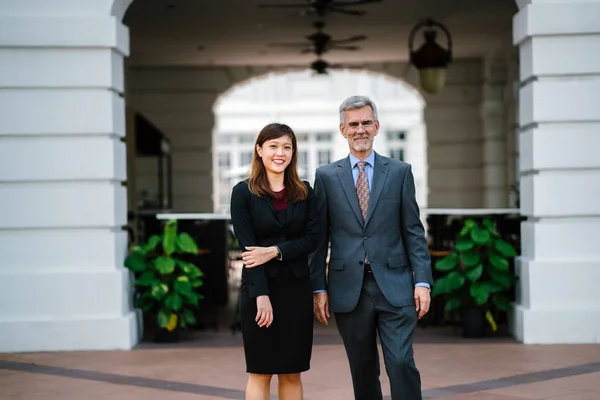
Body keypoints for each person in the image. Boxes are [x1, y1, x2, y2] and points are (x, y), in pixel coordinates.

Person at [309, 95, 433, 400]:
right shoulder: (326, 177)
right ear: (342, 130)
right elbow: (318, 239)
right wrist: (318, 288)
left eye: (366, 123)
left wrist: (422, 281)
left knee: (401, 361)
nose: (360, 129)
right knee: (362, 367)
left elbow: (414, 232)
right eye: (353, 124)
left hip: (397, 285)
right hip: (349, 288)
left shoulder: (400, 172)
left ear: (376, 127)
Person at [230, 123, 320, 400]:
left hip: (296, 291)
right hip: (259, 289)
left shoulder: (305, 192)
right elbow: (249, 251)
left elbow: (312, 240)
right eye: (273, 146)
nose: (280, 153)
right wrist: (261, 295)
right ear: (259, 150)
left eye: (287, 147)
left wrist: (273, 250)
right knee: (261, 371)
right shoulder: (242, 193)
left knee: (292, 371)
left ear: (293, 153)